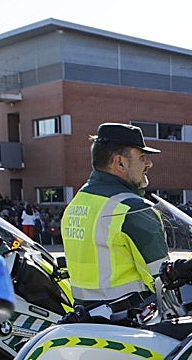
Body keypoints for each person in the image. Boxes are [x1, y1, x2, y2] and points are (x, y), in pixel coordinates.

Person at [59, 123, 168, 309]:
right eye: (142, 157)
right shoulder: (133, 209)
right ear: (120, 162)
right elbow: (164, 279)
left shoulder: (78, 202)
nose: (149, 163)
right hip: (132, 321)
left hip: (86, 317)